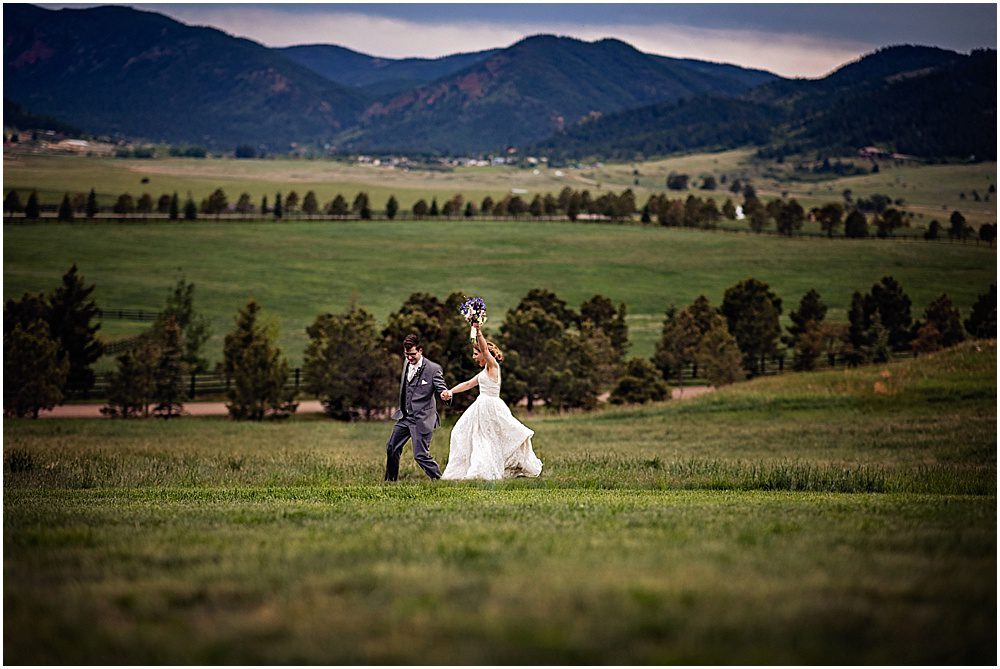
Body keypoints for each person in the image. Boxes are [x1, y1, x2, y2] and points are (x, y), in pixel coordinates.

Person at [440, 323, 542, 480]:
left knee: (488, 438)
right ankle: (474, 467)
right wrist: (450, 391)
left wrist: (479, 331)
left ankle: (486, 470)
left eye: (476, 354)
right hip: (480, 407)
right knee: (461, 433)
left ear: (483, 354)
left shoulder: (492, 366)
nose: (474, 357)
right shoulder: (483, 372)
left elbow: (485, 349)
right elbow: (468, 384)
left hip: (492, 407)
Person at [384, 333, 449, 481]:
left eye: (413, 354)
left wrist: (445, 394)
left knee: (420, 456)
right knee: (392, 447)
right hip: (405, 417)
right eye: (407, 354)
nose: (409, 358)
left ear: (420, 350)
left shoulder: (433, 369)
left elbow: (441, 387)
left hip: (422, 419)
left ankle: (440, 480)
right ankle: (390, 481)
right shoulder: (407, 363)